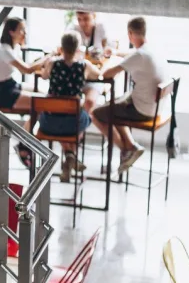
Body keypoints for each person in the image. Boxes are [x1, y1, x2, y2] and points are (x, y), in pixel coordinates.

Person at [92, 16, 169, 175]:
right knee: (117, 103)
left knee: (96, 114)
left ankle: (127, 149)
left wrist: (110, 61)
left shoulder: (139, 56)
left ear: (130, 34)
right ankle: (130, 146)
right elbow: (133, 54)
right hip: (156, 108)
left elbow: (106, 74)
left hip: (142, 110)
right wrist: (115, 53)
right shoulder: (150, 50)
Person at [39, 32, 98, 182]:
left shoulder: (53, 63)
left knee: (60, 116)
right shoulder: (84, 65)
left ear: (61, 47)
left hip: (49, 123)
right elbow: (98, 75)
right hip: (73, 124)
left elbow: (44, 75)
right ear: (78, 47)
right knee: (82, 117)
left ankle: (69, 156)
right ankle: (71, 156)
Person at [0, 17, 47, 165]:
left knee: (43, 95)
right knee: (41, 103)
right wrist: (49, 57)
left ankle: (25, 138)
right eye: (21, 30)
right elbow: (27, 70)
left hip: (10, 84)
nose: (24, 33)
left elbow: (27, 66)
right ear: (11, 32)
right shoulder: (5, 51)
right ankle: (23, 143)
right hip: (2, 92)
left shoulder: (14, 47)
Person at [69, 11, 112, 115]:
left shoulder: (101, 28)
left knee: (89, 102)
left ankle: (79, 126)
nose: (83, 23)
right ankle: (73, 125)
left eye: (86, 19)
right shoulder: (73, 29)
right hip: (76, 76)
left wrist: (106, 51)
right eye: (79, 19)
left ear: (94, 17)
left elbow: (109, 50)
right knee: (69, 102)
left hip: (94, 76)